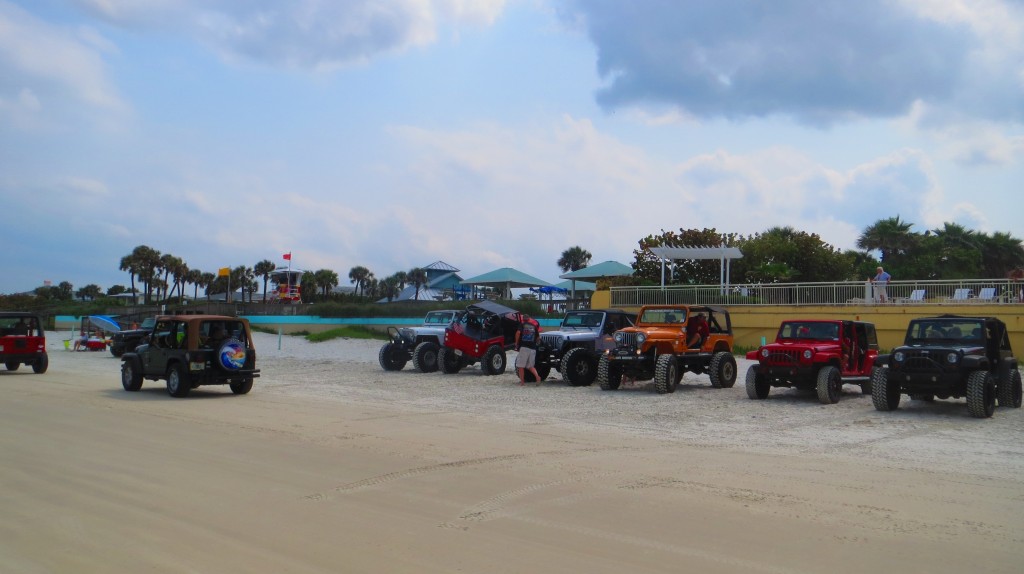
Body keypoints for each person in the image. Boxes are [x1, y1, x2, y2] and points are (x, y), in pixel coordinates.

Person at [515, 314, 542, 386]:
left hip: (524, 347)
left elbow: (518, 333)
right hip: (533, 348)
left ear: (523, 319)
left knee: (521, 366)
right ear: (529, 319)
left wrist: (516, 343)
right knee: (530, 366)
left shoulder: (522, 325)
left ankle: (522, 382)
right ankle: (537, 377)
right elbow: (538, 338)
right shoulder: (534, 326)